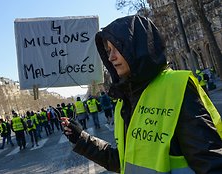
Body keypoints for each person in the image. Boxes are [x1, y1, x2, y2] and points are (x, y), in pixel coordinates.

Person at [62, 15, 222, 173]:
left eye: (117, 48)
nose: (111, 57)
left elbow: (210, 163)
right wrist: (82, 139)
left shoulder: (176, 86)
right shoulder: (124, 99)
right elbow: (125, 162)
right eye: (108, 50)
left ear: (137, 47)